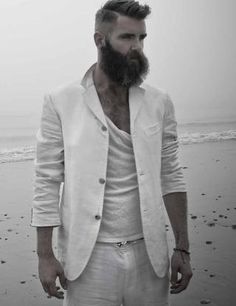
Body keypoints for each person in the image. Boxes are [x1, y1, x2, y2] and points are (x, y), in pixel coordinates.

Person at [31, 1, 193, 305]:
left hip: (150, 254)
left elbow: (171, 173)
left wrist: (183, 247)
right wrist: (45, 255)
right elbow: (46, 180)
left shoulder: (159, 102)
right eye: (127, 37)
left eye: (142, 38)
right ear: (100, 40)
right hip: (89, 259)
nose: (137, 47)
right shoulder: (60, 101)